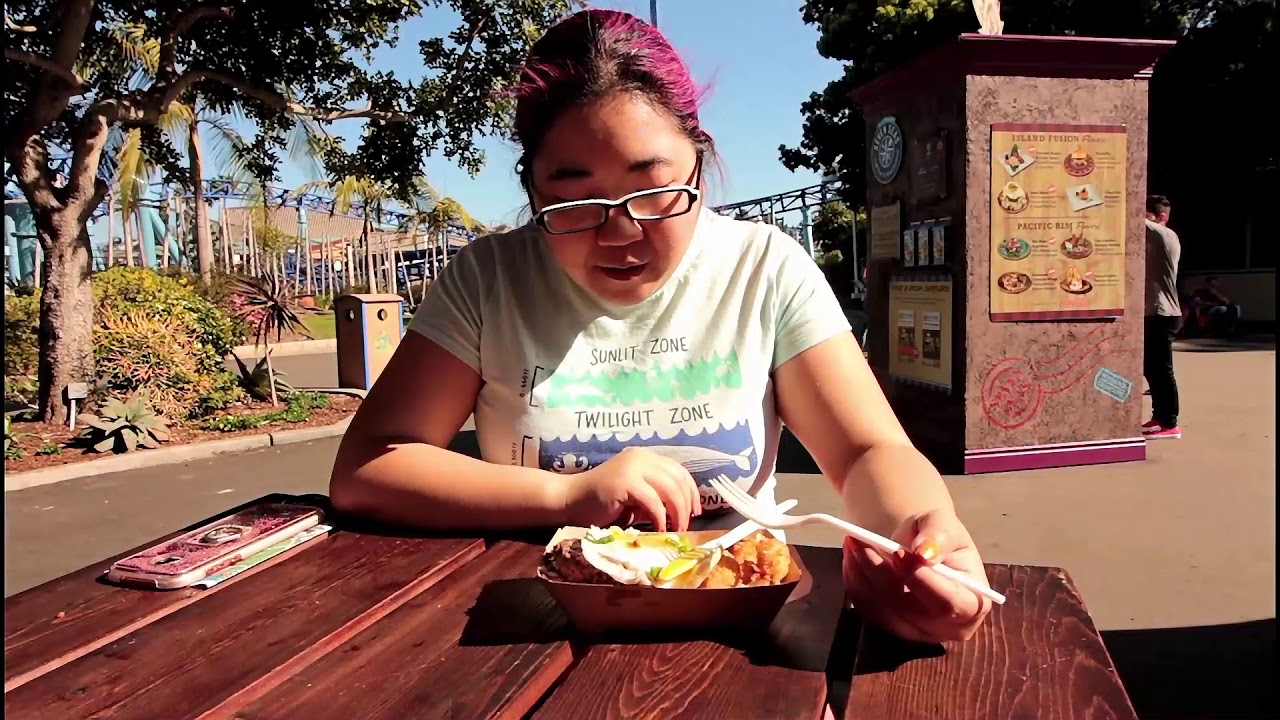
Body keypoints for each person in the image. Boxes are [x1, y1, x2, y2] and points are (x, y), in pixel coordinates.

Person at [330, 9, 992, 644]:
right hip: (537, 623)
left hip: (737, 619)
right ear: (532, 188)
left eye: (652, 191)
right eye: (576, 200)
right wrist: (565, 496)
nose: (621, 232)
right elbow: (371, 466)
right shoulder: (490, 280)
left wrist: (921, 533)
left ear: (698, 162)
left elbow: (867, 454)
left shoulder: (761, 268)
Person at [1143, 195, 1182, 439]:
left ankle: (1169, 422)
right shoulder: (1153, 240)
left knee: (1161, 369)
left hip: (1162, 312)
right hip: (1153, 312)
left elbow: (1133, 221)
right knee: (1152, 368)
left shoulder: (1166, 235)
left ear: (1161, 217)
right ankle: (1160, 418)